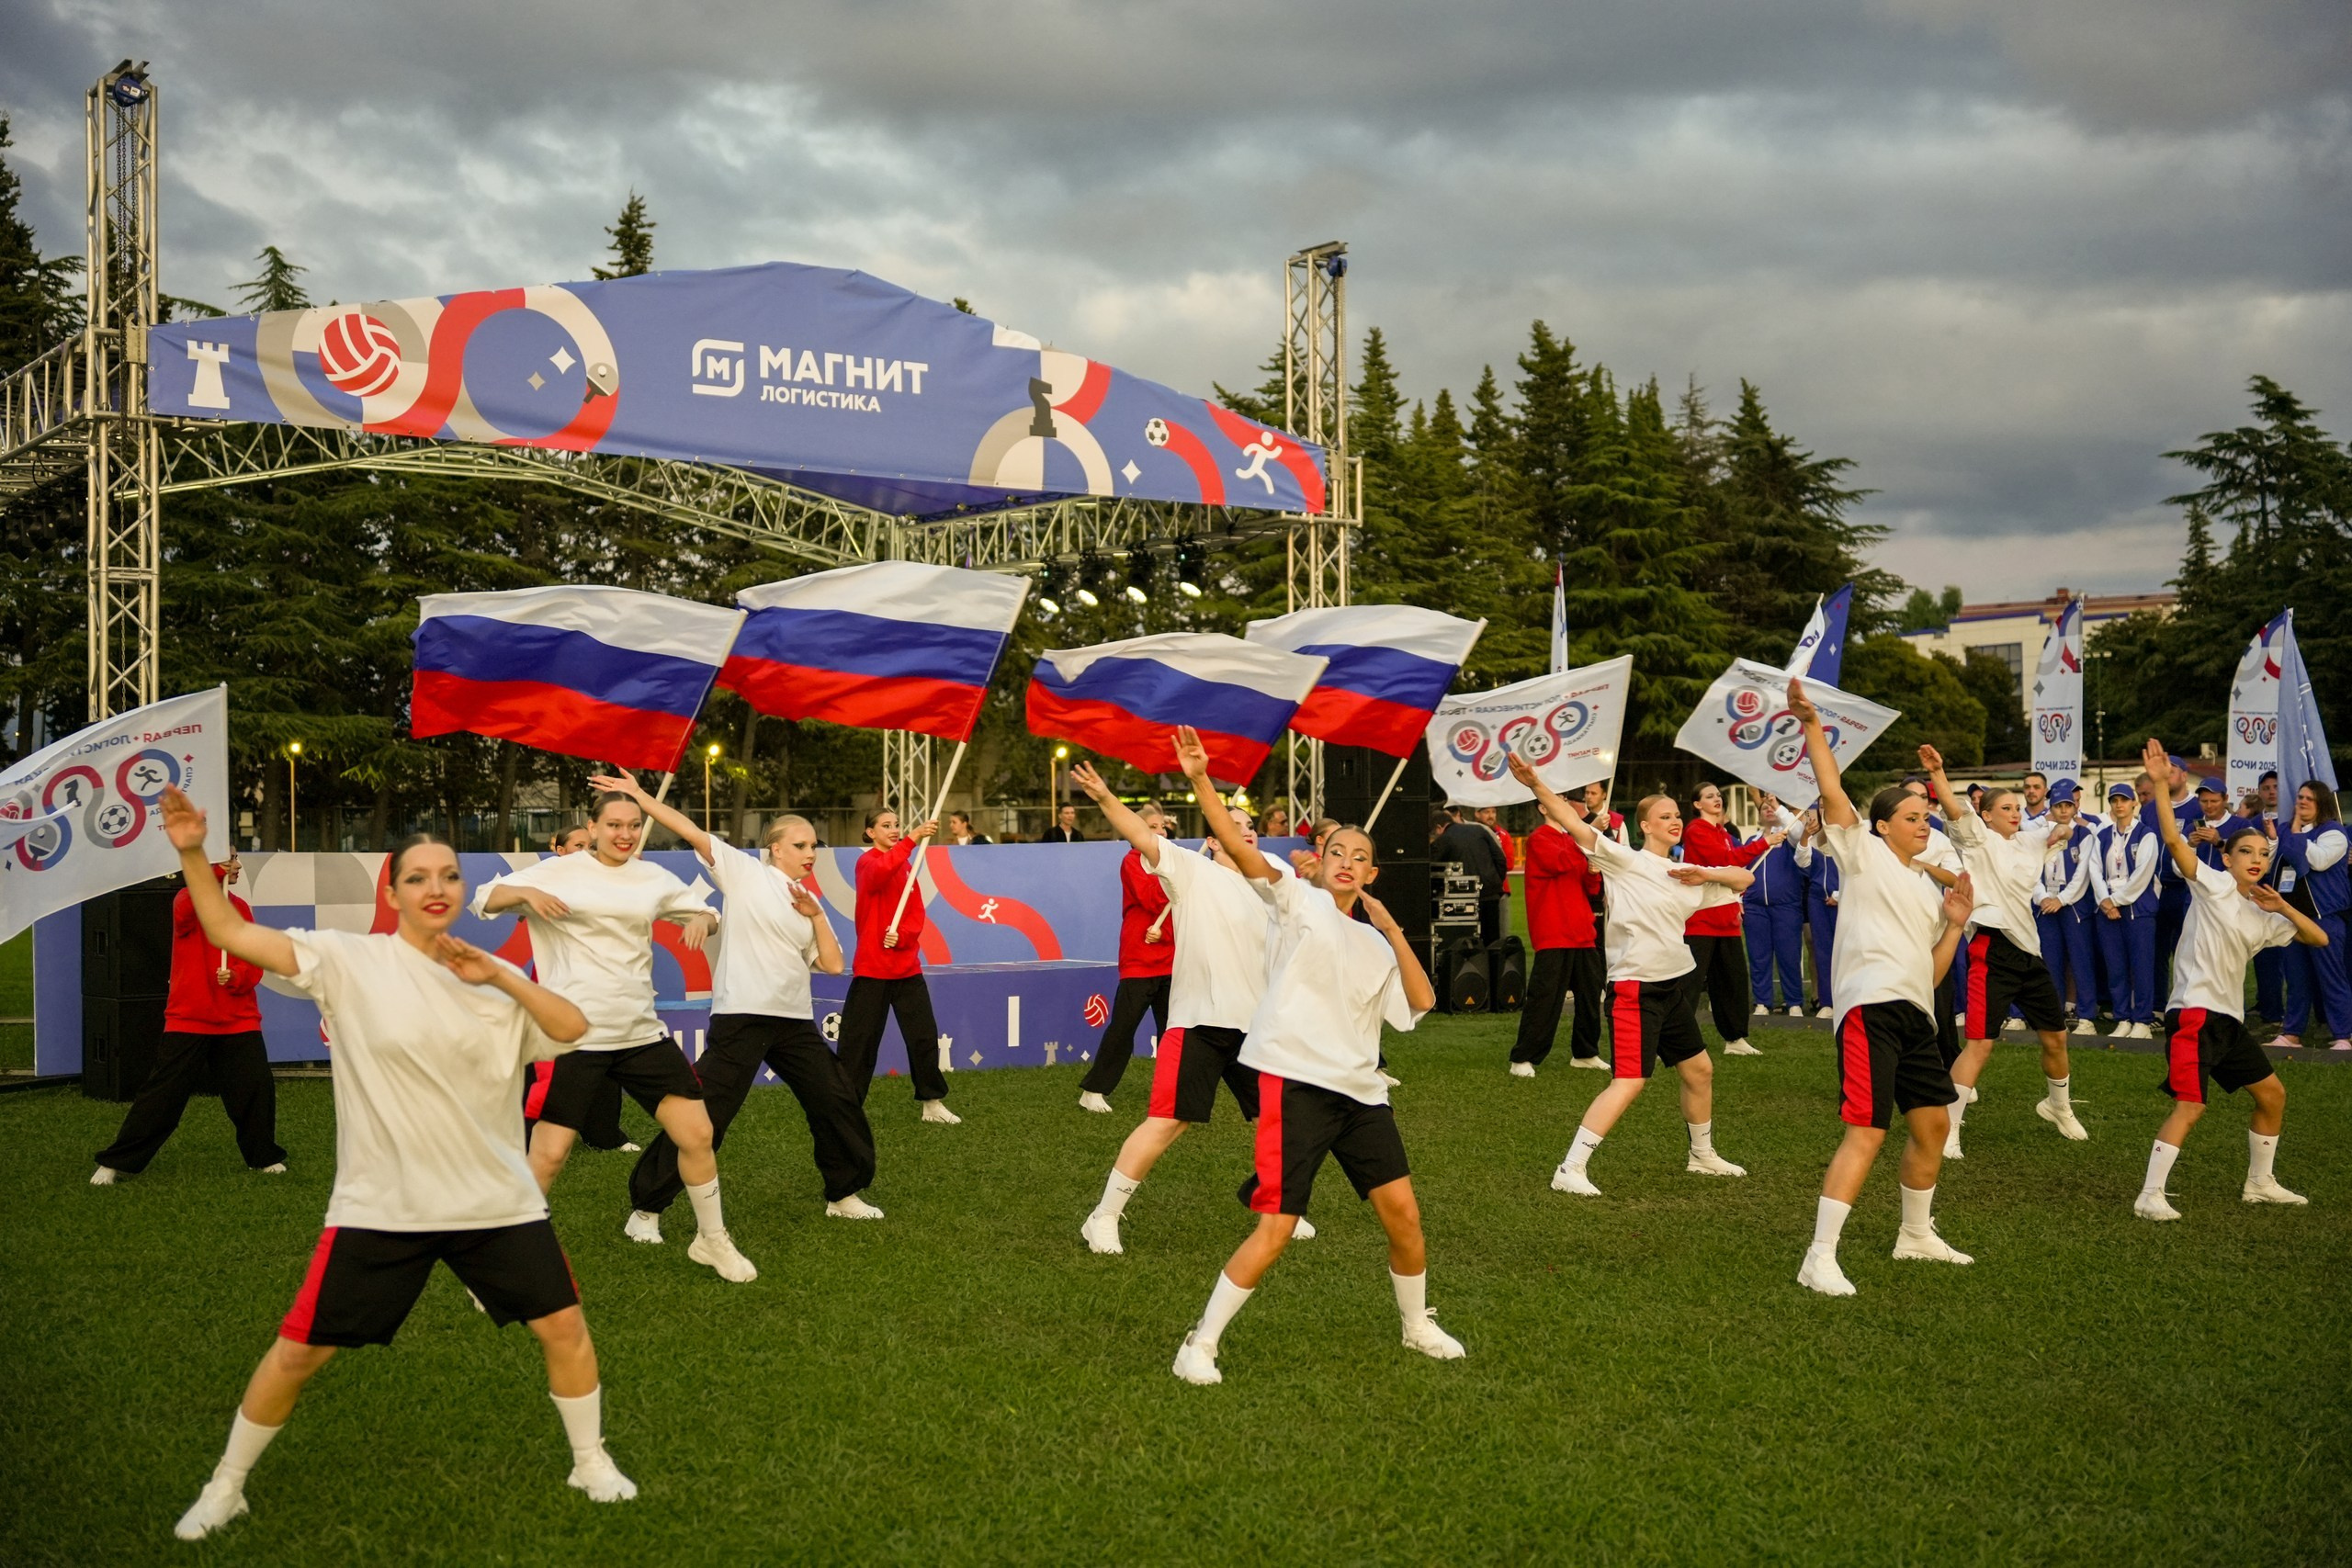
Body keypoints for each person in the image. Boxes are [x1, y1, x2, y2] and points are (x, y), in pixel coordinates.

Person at [153, 790, 633, 1541]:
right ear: (393, 890)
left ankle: (590, 1459)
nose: (435, 887)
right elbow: (227, 929)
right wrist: (190, 851)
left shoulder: (493, 981)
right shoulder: (349, 960)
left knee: (565, 1328)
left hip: (497, 1204)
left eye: (448, 874)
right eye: (417, 876)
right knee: (298, 1353)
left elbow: (574, 1026)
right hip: (384, 1206)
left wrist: (500, 976)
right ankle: (227, 1483)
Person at [1166, 727, 1453, 1384]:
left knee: (1404, 1216)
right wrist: (1202, 780)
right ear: (1316, 861)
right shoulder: (1297, 903)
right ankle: (1200, 1343)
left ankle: (1415, 1325)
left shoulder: (1376, 944)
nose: (1347, 860)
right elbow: (1241, 849)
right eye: (1336, 851)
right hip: (1295, 1086)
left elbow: (1422, 1001)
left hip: (1363, 1095)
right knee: (1277, 1225)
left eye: (1360, 855)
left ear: (1373, 872)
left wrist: (1390, 928)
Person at [473, 793, 757, 1282]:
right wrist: (524, 895)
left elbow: (708, 913)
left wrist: (700, 919)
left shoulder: (650, 878)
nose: (624, 834)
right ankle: (504, 1262)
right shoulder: (557, 871)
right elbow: (484, 899)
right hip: (574, 1038)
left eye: (632, 825)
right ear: (593, 826)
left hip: (641, 1034)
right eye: (614, 825)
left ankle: (712, 1241)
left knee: (698, 1133)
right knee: (549, 1156)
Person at [584, 772, 881, 1232]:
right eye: (800, 845)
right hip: (741, 1019)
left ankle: (843, 1193)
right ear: (775, 848)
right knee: (706, 1118)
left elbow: (834, 964)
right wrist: (641, 797)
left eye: (814, 846)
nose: (810, 854)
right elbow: (688, 829)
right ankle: (645, 1210)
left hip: (794, 1023)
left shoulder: (805, 901)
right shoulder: (745, 872)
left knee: (837, 1100)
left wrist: (818, 915)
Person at [1781, 682, 1979, 1297]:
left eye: (1928, 816)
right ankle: (1819, 1256)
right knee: (1866, 1129)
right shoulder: (1861, 851)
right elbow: (1832, 789)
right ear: (1883, 825)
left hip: (1915, 1011)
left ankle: (1915, 1235)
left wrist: (1953, 924)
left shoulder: (1927, 889)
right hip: (1869, 1011)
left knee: (1933, 1128)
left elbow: (1933, 971)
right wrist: (1813, 725)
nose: (1924, 824)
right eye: (1913, 816)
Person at [1071, 766, 1312, 1254]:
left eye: (1251, 829)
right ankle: (1103, 1216)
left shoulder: (1271, 878)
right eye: (1236, 829)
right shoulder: (1190, 870)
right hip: (1201, 1021)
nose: (1247, 835)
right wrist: (1104, 797)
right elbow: (1140, 833)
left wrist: (1318, 869)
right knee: (1167, 1122)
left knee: (1281, 1118)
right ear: (1216, 838)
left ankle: (1276, 1204)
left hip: (1257, 1028)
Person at [1508, 753, 1753, 1194]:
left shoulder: (1687, 876)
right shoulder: (1625, 861)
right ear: (1646, 826)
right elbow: (1573, 820)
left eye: (1678, 814)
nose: (1675, 821)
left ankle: (1701, 1155)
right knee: (1630, 1080)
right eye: (1665, 816)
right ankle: (1570, 1168)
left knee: (1699, 1070)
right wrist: (1536, 785)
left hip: (1674, 987)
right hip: (1635, 990)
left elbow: (1743, 880)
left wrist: (1704, 872)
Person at [2132, 738, 2328, 1219]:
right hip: (2194, 1015)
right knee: (2191, 1106)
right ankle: (2149, 1196)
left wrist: (2282, 904)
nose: (2256, 858)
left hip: (2227, 1021)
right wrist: (2160, 786)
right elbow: (2176, 844)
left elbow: (2319, 939)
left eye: (2263, 852)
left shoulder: (2265, 914)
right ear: (2229, 859)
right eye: (2246, 852)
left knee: (2272, 1094)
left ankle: (2260, 1182)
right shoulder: (2214, 885)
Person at [1919, 747, 2086, 1157]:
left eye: (2017, 806)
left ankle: (2057, 1106)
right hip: (1991, 950)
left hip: (2030, 954)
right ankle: (1949, 1126)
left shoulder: (2029, 840)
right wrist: (1939, 772)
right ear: (1987, 814)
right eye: (2005, 807)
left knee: (2056, 1038)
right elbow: (1955, 810)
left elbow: (2054, 832)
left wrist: (2063, 831)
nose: (2014, 812)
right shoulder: (1977, 839)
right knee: (1981, 1044)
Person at [92, 852, 288, 1185]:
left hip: (238, 1018)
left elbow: (253, 958)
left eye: (236, 861)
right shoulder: (187, 900)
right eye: (230, 861)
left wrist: (238, 976)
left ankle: (263, 1157)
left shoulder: (239, 908)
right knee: (162, 1096)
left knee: (255, 1090)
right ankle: (116, 1162)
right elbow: (187, 908)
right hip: (189, 1018)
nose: (237, 867)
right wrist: (209, 872)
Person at [836, 807, 959, 1122]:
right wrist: (913, 837)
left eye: (897, 825)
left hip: (906, 968)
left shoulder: (906, 865)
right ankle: (846, 1108)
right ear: (870, 833)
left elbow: (916, 913)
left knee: (923, 1037)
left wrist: (902, 937)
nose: (894, 830)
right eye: (886, 826)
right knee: (858, 1044)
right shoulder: (867, 863)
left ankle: (932, 1103)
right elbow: (879, 875)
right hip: (872, 969)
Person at [523, 825, 637, 1156]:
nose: (586, 851)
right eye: (578, 845)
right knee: (543, 1065)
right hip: (553, 986)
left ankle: (603, 1134)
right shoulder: (542, 879)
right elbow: (510, 903)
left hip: (598, 985)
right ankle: (527, 1137)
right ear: (558, 849)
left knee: (603, 1054)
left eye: (590, 845)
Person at [1077, 798, 1175, 1113]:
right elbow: (1152, 897)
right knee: (1124, 1027)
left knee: (1172, 1031)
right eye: (1152, 827)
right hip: (1139, 960)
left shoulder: (1175, 862)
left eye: (1163, 827)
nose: (1160, 832)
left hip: (1171, 958)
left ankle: (1171, 1093)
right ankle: (1093, 1090)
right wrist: (1177, 886)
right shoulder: (1133, 861)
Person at [1510, 790, 1607, 1076]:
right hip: (1554, 930)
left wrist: (1592, 871)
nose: (1564, 803)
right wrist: (1587, 835)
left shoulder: (1569, 839)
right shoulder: (1540, 838)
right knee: (1545, 998)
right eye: (1557, 800)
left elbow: (1589, 887)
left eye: (1565, 799)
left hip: (1581, 930)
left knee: (1591, 995)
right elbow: (1559, 863)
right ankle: (1523, 1058)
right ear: (1543, 807)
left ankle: (1586, 1052)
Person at [1679, 782, 1780, 1056]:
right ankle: (1677, 1037)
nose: (1717, 799)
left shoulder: (1722, 832)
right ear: (1697, 804)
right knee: (1690, 982)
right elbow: (1724, 860)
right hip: (1700, 918)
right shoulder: (1696, 830)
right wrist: (1764, 842)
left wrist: (1738, 895)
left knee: (1733, 982)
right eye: (1709, 796)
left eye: (1718, 795)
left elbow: (1735, 867)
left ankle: (1735, 1039)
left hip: (1726, 919)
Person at [2272, 780, 2352, 1051]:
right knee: (2296, 978)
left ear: (2322, 804)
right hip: (2293, 916)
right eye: (2300, 797)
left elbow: (2314, 861)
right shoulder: (2285, 831)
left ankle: (2345, 1034)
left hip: (2325, 917)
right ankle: (2292, 1033)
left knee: (2332, 978)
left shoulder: (2335, 833)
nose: (2302, 802)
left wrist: (2293, 833)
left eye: (2309, 798)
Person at [2089, 783, 2161, 1038]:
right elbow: (2095, 870)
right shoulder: (2102, 835)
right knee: (2115, 966)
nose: (2119, 805)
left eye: (2124, 800)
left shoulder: (2146, 834)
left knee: (2141, 966)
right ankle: (2122, 1017)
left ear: (2134, 803)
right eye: (2114, 801)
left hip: (2137, 909)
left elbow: (2143, 874)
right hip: (2107, 908)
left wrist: (2115, 901)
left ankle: (2142, 1020)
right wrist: (2104, 901)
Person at [2033, 783, 2102, 1035]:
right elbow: (2032, 871)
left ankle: (2086, 1016)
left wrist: (2061, 899)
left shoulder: (2085, 835)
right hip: (2046, 905)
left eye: (2067, 806)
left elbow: (2083, 874)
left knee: (2080, 959)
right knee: (2050, 960)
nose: (2063, 810)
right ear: (2050, 808)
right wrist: (2042, 897)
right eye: (2058, 806)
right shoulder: (2040, 835)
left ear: (2075, 807)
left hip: (2073, 905)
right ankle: (2054, 1014)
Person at [1743, 809, 1808, 1018]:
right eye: (1764, 808)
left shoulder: (1789, 837)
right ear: (1759, 816)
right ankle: (1762, 1001)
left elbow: (1799, 837)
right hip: (1755, 907)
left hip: (1786, 906)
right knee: (1758, 955)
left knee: (1789, 955)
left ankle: (1794, 1001)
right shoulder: (1751, 841)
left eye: (1773, 807)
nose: (1769, 811)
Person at [1432, 805, 1507, 944]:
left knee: (1468, 939)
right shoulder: (1479, 829)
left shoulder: (1444, 839)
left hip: (1464, 897)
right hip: (1491, 892)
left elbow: (1433, 867)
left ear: (1438, 828)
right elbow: (1500, 858)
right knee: (1492, 939)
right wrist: (1496, 881)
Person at [1793, 808, 1840, 1020]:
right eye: (1821, 806)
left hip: (1844, 901)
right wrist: (1805, 836)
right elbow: (1802, 862)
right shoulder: (1813, 838)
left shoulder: (1850, 835)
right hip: (1817, 901)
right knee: (1822, 950)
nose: (1823, 810)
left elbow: (1858, 870)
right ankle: (1827, 1002)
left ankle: (1846, 1000)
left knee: (1846, 951)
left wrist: (1840, 895)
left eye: (1827, 805)